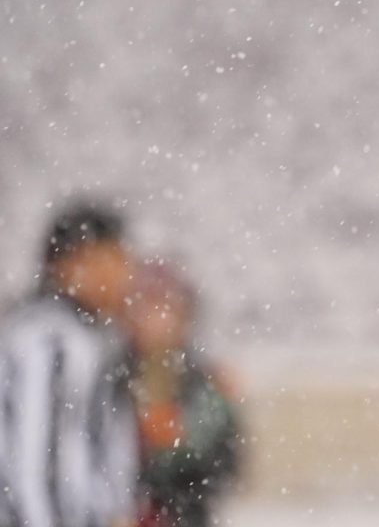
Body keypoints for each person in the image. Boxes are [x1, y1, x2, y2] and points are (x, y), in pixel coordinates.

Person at [0, 200, 140, 527]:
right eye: (111, 259)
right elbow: (34, 465)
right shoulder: (50, 343)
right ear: (68, 265)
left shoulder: (90, 336)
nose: (124, 273)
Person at [125, 259, 241, 527]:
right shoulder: (110, 374)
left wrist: (176, 444)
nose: (155, 319)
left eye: (165, 307)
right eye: (146, 306)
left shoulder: (206, 381)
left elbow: (225, 466)